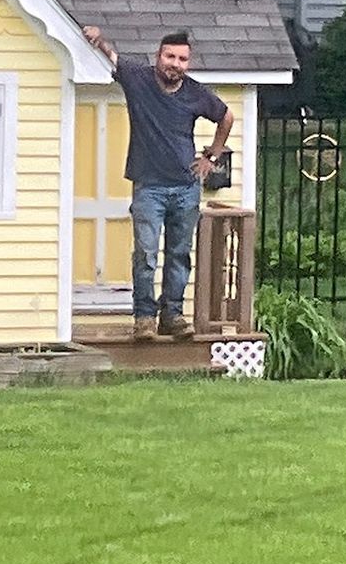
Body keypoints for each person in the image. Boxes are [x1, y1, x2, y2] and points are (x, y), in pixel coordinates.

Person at [80, 25, 234, 339]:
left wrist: (212, 157)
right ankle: (144, 319)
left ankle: (173, 316)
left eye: (182, 59)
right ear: (158, 56)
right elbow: (112, 56)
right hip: (148, 186)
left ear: (188, 63)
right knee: (146, 255)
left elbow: (226, 116)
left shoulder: (195, 92)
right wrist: (97, 39)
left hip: (186, 186)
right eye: (170, 56)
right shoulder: (139, 80)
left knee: (179, 254)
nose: (175, 64)